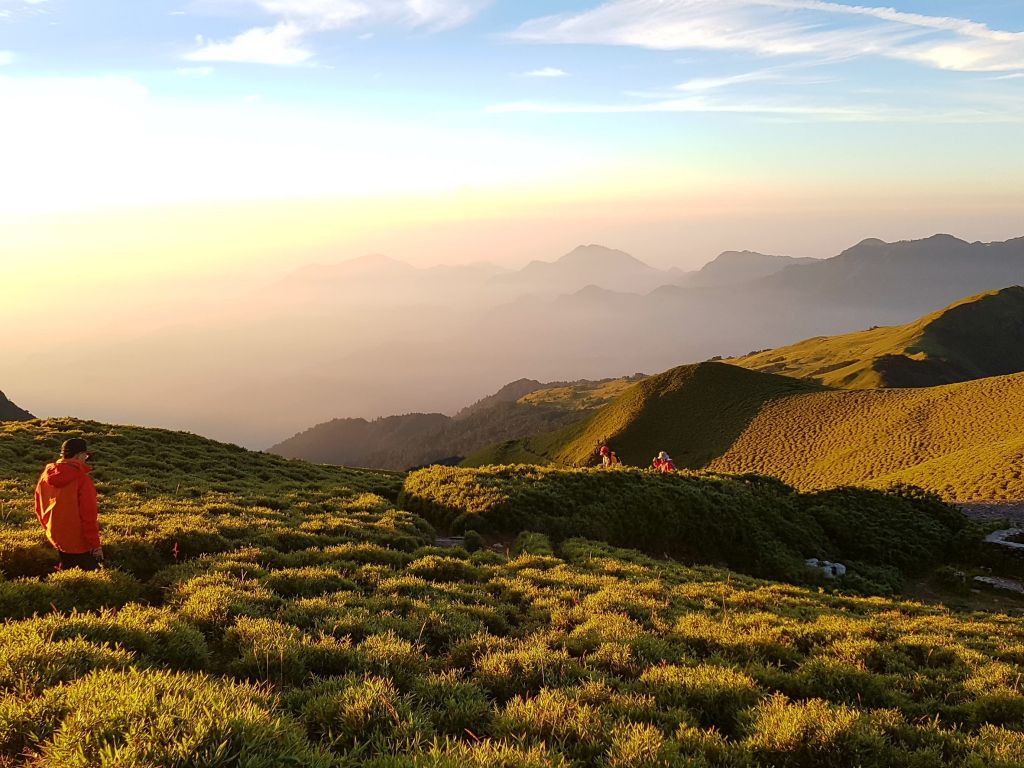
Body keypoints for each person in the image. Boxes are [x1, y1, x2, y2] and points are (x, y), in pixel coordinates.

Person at [34, 438, 104, 571]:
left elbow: (38, 507)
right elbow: (88, 516)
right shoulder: (82, 480)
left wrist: (49, 528)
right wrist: (96, 545)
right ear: (78, 455)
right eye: (86, 455)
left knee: (66, 571)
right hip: (79, 542)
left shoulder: (45, 475)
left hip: (55, 536)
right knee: (94, 579)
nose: (86, 458)